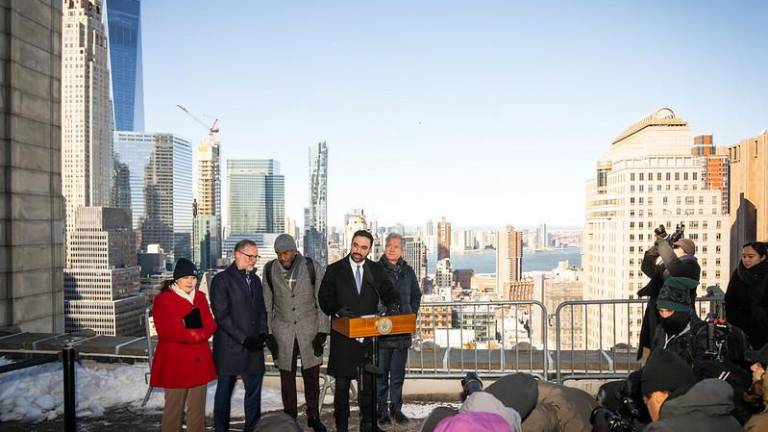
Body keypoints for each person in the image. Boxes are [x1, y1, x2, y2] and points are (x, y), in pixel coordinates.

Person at [318, 230, 399, 432]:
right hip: (344, 337)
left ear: (369, 250)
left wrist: (391, 307)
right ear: (350, 243)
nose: (358, 250)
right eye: (355, 245)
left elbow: (390, 293)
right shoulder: (334, 269)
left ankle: (368, 426)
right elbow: (324, 298)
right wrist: (337, 309)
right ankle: (342, 427)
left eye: (363, 247)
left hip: (368, 340)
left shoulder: (376, 271)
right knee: (342, 389)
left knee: (368, 389)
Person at [262, 234, 329, 432]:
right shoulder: (268, 270)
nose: (283, 258)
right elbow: (267, 305)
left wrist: (322, 331)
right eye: (279, 254)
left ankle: (313, 415)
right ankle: (289, 417)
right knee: (287, 378)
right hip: (282, 330)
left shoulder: (312, 267)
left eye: (286, 253)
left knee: (311, 375)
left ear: (294, 250)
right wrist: (269, 334)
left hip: (309, 327)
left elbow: (322, 301)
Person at [150, 258, 217, 432]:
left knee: (197, 413)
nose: (190, 281)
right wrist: (195, 333)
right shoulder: (163, 300)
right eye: (186, 277)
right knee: (173, 412)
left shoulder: (200, 297)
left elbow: (211, 324)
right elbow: (167, 331)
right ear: (176, 279)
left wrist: (193, 331)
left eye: (194, 278)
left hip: (198, 362)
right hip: (175, 364)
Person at [211, 240, 268, 432]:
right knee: (223, 397)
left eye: (255, 256)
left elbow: (261, 311)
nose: (253, 260)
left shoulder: (256, 281)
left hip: (253, 348)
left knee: (254, 397)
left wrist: (261, 334)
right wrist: (244, 339)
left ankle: (252, 429)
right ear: (236, 254)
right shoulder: (221, 280)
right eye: (249, 256)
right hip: (230, 349)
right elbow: (222, 316)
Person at [376, 233, 422, 426]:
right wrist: (382, 312)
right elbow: (370, 297)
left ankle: (397, 409)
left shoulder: (408, 272)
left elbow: (416, 296)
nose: (392, 248)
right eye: (389, 245)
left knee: (397, 375)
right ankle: (381, 412)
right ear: (384, 248)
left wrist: (410, 314)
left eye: (396, 246)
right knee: (380, 375)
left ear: (402, 250)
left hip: (402, 332)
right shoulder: (375, 270)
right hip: (382, 332)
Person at [637, 228, 701, 363]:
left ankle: (663, 371)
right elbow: (647, 268)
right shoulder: (666, 265)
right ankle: (647, 370)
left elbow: (676, 269)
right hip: (657, 311)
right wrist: (656, 247)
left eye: (675, 246)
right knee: (650, 343)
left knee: (672, 347)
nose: (673, 249)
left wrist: (663, 243)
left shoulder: (691, 265)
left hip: (676, 315)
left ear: (684, 250)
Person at [641, 348, 741, 431]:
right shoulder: (733, 423)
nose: (648, 408)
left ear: (658, 396)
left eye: (646, 400)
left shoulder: (661, 429)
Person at [649, 276, 704, 365]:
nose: (664, 315)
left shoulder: (699, 334)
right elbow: (651, 363)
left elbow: (701, 371)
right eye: (661, 311)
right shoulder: (660, 331)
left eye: (669, 311)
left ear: (681, 311)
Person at [724, 241, 768, 349]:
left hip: (764, 329)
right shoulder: (738, 274)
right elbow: (730, 300)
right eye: (744, 256)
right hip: (741, 328)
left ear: (762, 257)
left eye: (751, 256)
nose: (746, 260)